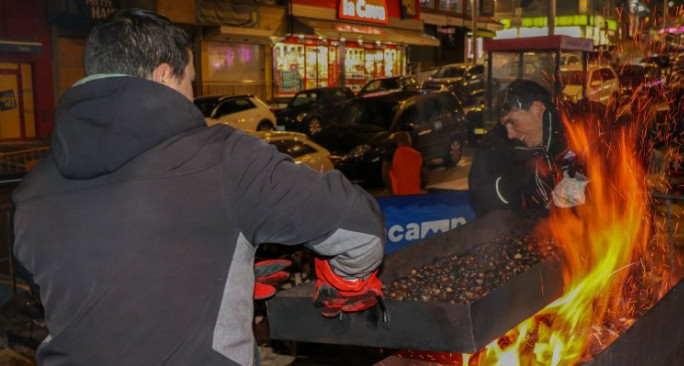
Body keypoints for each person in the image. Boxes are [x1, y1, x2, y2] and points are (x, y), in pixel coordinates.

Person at [12, 9, 384, 366]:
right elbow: (359, 230)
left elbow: (81, 290)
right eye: (191, 79)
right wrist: (345, 281)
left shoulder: (31, 192)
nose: (193, 93)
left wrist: (210, 277)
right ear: (163, 76)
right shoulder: (226, 159)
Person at [468, 79, 586, 216]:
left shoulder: (577, 132)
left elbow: (600, 186)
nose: (510, 134)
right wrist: (525, 174)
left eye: (513, 122)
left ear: (537, 108)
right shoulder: (497, 145)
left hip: (586, 231)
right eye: (504, 125)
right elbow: (481, 200)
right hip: (525, 231)